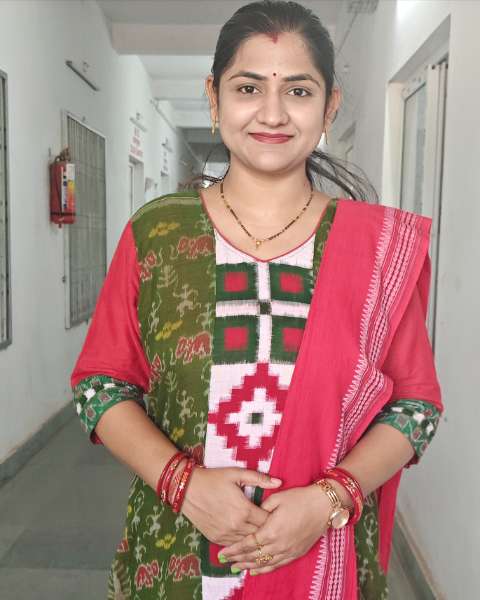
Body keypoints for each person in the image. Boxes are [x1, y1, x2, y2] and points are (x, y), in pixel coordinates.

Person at [70, 2, 444, 599]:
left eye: (298, 90)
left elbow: (415, 407)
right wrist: (184, 485)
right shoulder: (157, 233)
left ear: (330, 106)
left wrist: (329, 499)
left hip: (324, 560)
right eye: (248, 88)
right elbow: (100, 386)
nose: (273, 113)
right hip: (176, 556)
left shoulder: (375, 250)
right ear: (214, 97)